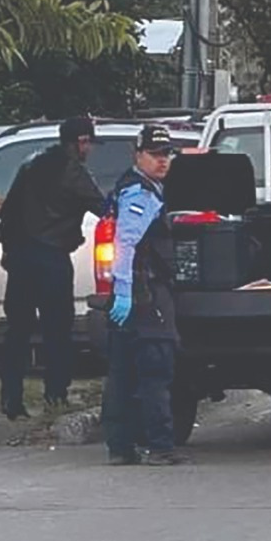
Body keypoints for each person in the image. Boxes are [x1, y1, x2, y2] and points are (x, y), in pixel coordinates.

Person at [0, 116, 105, 419]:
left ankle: (11, 400)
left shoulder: (31, 165)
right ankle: (55, 395)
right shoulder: (73, 171)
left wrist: (8, 249)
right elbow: (103, 206)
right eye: (88, 143)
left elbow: (8, 212)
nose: (90, 149)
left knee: (17, 331)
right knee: (58, 331)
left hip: (20, 256)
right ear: (80, 142)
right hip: (51, 259)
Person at [101, 124, 186, 466]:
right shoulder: (140, 193)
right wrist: (123, 291)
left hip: (132, 294)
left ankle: (121, 447)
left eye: (166, 154)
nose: (162, 161)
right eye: (155, 154)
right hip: (144, 295)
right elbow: (126, 243)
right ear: (138, 156)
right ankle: (160, 445)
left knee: (122, 373)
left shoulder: (138, 187)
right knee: (155, 370)